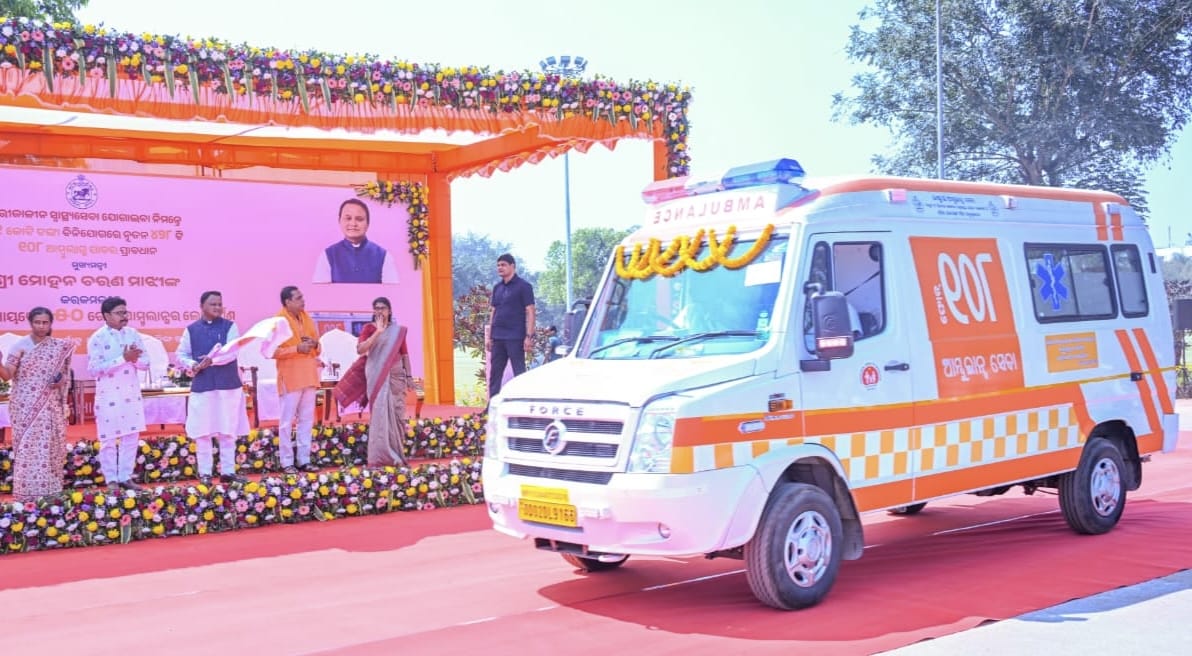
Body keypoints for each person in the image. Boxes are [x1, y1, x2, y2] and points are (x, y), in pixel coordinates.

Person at [0, 307, 75, 502]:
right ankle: (27, 493)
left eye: (45, 322)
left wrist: (60, 380)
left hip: (50, 405)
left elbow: (63, 375)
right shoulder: (20, 346)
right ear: (30, 323)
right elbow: (7, 375)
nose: (41, 326)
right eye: (37, 322)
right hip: (24, 405)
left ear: (50, 324)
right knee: (27, 447)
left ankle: (51, 490)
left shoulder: (58, 346)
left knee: (50, 446)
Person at [177, 291, 250, 487]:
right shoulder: (191, 330)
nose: (217, 307)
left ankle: (228, 472)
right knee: (203, 431)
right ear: (202, 306)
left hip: (228, 386)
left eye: (219, 304)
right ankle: (205, 473)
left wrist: (212, 360)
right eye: (213, 304)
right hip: (203, 386)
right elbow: (181, 354)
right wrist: (193, 364)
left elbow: (232, 352)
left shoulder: (230, 326)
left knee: (228, 430)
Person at [87, 296, 149, 491]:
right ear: (106, 315)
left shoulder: (133, 334)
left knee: (131, 438)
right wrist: (123, 359)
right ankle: (111, 479)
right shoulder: (97, 338)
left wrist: (134, 359)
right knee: (108, 440)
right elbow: (94, 369)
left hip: (131, 394)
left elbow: (146, 363)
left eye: (125, 312)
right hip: (108, 397)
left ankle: (125, 477)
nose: (124, 316)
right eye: (119, 313)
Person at [355, 297, 412, 467]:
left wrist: (409, 376)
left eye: (383, 308)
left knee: (398, 415)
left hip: (396, 376)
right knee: (380, 414)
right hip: (377, 375)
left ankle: (397, 454)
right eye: (376, 308)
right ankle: (380, 457)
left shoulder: (397, 331)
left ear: (389, 311)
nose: (379, 311)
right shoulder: (368, 328)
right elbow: (360, 350)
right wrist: (378, 332)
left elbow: (405, 355)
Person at [272, 286, 321, 474]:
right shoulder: (278, 322)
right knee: (286, 423)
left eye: (302, 297)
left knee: (306, 421)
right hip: (290, 378)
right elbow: (272, 351)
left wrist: (315, 344)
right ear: (287, 302)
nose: (303, 301)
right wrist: (296, 349)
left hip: (309, 375)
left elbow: (318, 347)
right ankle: (286, 462)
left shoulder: (307, 318)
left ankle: (304, 460)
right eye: (298, 298)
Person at [312, 199, 399, 284]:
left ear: (368, 223)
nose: (353, 224)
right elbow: (321, 291)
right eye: (348, 218)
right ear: (339, 221)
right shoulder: (328, 255)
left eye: (359, 219)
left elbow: (391, 290)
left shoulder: (384, 256)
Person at [487, 253, 535, 398]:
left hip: (515, 336)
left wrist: (529, 336)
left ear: (512, 266)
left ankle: (522, 402)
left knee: (519, 373)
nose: (500, 268)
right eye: (498, 265)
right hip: (498, 337)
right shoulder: (497, 288)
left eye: (503, 265)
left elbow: (530, 311)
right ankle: (492, 405)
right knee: (495, 374)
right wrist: (490, 336)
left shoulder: (524, 286)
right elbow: (493, 311)